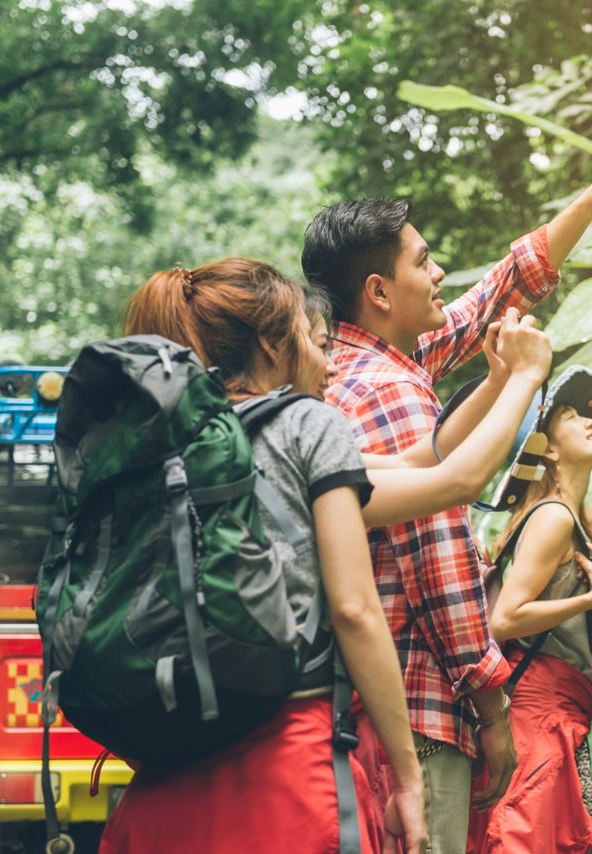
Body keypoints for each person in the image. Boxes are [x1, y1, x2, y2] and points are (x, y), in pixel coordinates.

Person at [100, 257, 551, 853]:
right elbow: (439, 506)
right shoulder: (303, 428)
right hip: (280, 775)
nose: (331, 364)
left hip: (161, 787)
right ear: (270, 344)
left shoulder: (165, 449)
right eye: (314, 343)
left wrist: (493, 383)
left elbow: (423, 462)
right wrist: (525, 379)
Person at [300, 119, 592, 852]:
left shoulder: (363, 363)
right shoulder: (393, 392)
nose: (441, 277)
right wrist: (492, 709)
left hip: (365, 708)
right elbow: (440, 562)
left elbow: (495, 293)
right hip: (423, 716)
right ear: (378, 291)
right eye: (425, 263)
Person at [467, 366, 592, 853]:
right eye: (572, 416)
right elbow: (504, 619)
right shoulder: (553, 518)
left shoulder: (572, 519)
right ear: (549, 450)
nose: (588, 421)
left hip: (557, 712)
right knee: (520, 839)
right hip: (538, 709)